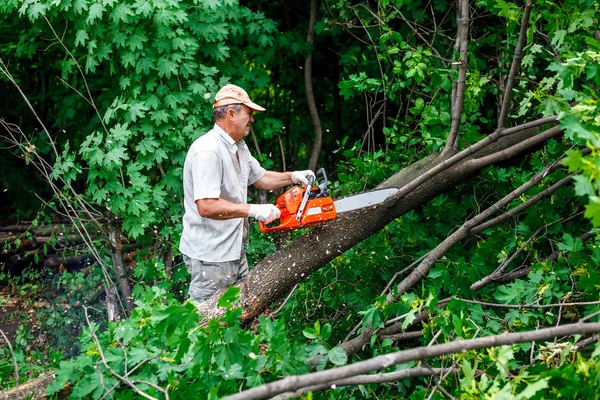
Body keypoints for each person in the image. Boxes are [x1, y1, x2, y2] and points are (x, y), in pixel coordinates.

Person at [179, 84, 315, 303]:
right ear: (231, 114)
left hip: (234, 249)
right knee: (204, 320)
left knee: (237, 312)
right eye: (248, 114)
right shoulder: (208, 151)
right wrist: (253, 210)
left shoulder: (238, 146)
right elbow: (206, 206)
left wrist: (293, 177)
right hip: (211, 255)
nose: (252, 120)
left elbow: (260, 178)